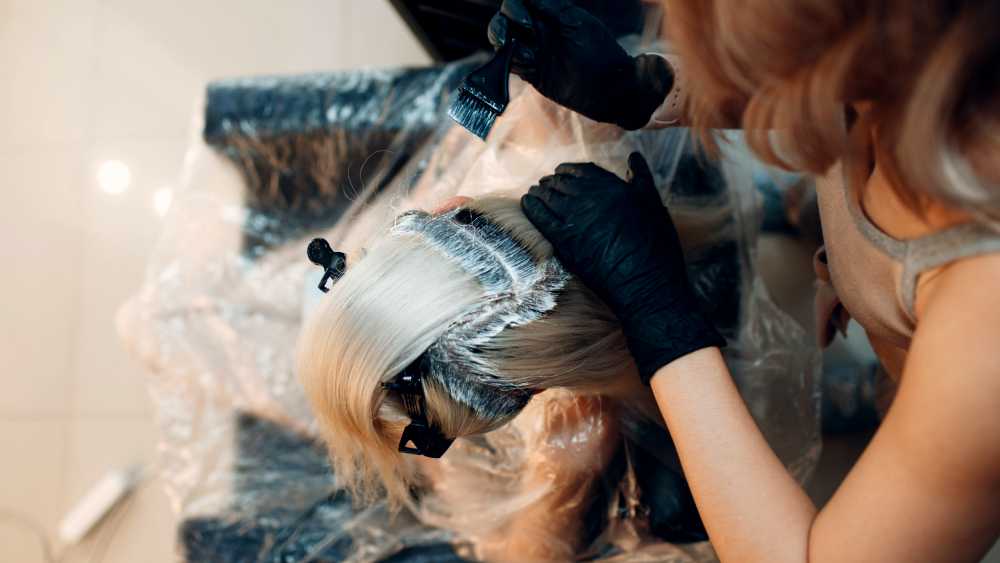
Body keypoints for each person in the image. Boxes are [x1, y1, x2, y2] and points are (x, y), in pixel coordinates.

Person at [490, 0, 1000, 561]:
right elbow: (822, 80)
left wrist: (658, 316)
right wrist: (645, 90)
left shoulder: (983, 334)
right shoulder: (921, 52)